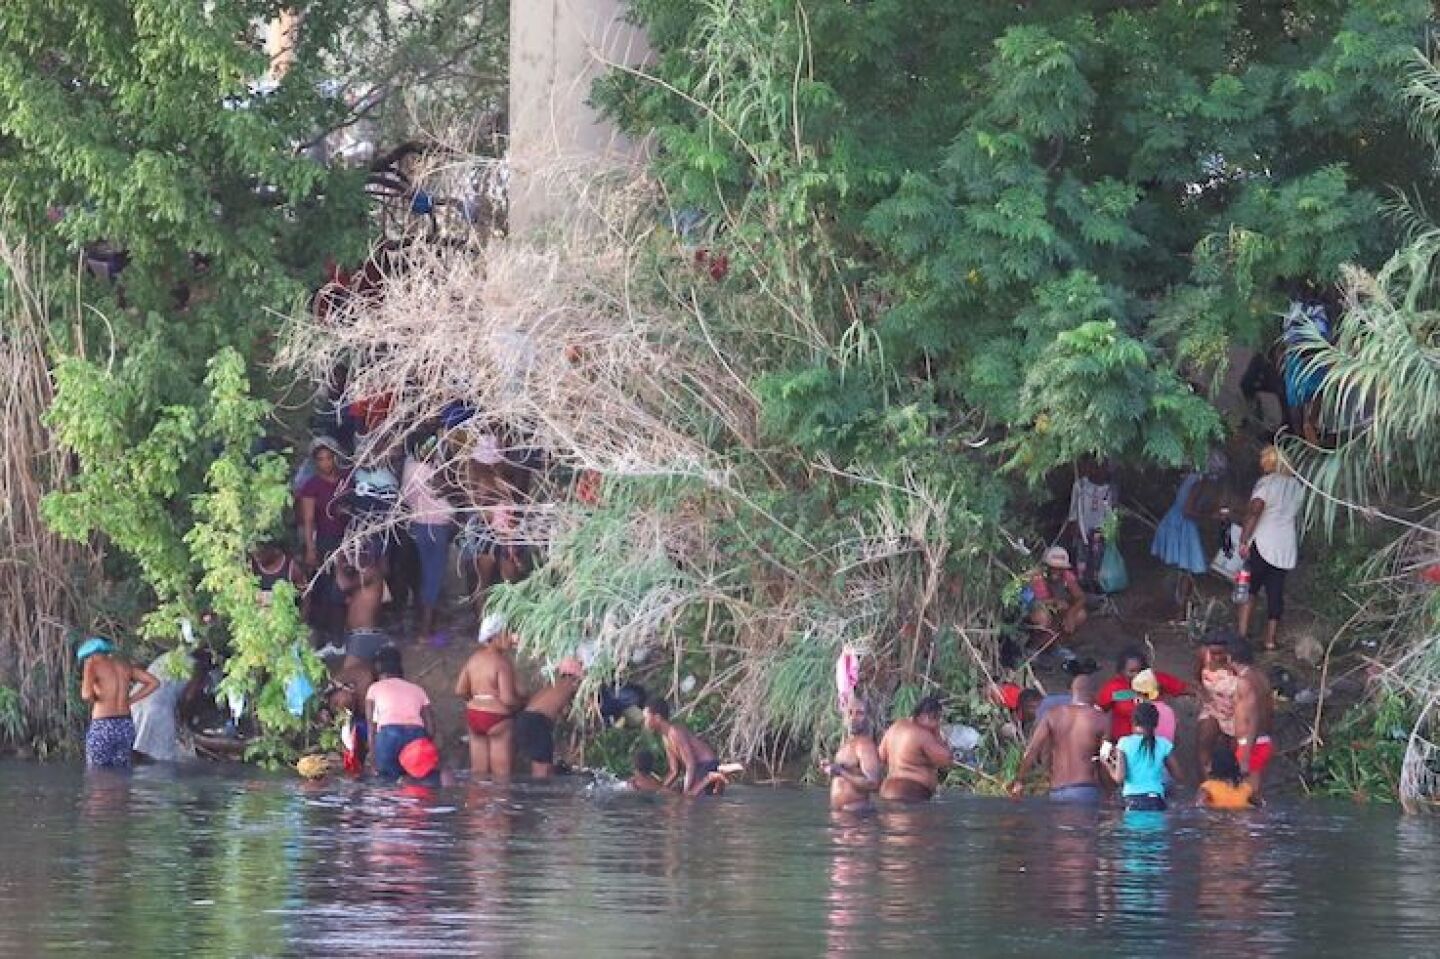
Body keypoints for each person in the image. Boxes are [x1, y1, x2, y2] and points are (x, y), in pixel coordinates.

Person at [1237, 445, 1304, 651]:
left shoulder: (1267, 483)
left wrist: (1244, 539)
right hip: (1285, 546)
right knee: (1276, 591)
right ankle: (1270, 640)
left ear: (1270, 462)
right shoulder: (1297, 486)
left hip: (1263, 543)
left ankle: (1241, 635)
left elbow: (1255, 511)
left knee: (1249, 588)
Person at [1009, 674, 1109, 803]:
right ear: (1094, 693)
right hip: (1085, 790)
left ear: (1072, 691)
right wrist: (1108, 791)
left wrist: (1019, 780)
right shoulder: (1101, 719)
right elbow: (1105, 760)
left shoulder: (1052, 714)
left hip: (1057, 791)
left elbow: (1032, 750)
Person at [1150, 454, 1229, 612]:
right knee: (1189, 569)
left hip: (1176, 523)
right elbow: (1187, 511)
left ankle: (1177, 605)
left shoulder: (1196, 479)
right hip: (1181, 525)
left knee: (1181, 569)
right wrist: (1211, 516)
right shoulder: (1198, 482)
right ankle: (1180, 609)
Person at [401, 436, 457, 643]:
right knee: (433, 576)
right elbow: (449, 491)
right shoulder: (436, 472)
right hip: (437, 527)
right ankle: (425, 630)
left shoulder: (408, 468)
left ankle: (423, 624)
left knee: (423, 575)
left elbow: (406, 498)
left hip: (417, 525)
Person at [455, 615, 522, 778]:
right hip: (496, 718)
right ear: (495, 637)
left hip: (474, 715)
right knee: (501, 778)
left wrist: (477, 700)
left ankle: (477, 802)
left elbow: (460, 690)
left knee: (478, 774)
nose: (511, 637)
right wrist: (522, 704)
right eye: (507, 633)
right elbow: (507, 699)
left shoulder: (473, 659)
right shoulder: (502, 663)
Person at [78, 638, 160, 768]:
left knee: (97, 774)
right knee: (122, 771)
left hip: (103, 725)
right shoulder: (124, 666)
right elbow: (154, 682)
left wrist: (96, 699)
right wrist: (131, 699)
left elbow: (86, 695)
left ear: (90, 655)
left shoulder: (91, 664)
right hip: (125, 725)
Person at [297, 435, 348, 633]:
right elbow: (309, 519)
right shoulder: (312, 485)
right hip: (326, 540)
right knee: (328, 586)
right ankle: (327, 631)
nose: (326, 463)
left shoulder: (346, 478)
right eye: (321, 459)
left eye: (329, 457)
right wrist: (311, 549)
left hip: (349, 538)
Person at [366, 646, 435, 780]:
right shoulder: (418, 689)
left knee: (387, 785)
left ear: (378, 667)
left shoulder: (374, 689)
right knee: (416, 782)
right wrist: (421, 744)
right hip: (416, 734)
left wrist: (373, 757)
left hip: (388, 735)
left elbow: (371, 726)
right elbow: (431, 728)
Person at [514, 656, 584, 778]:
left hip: (528, 718)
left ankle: (541, 793)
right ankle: (540, 795)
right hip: (536, 721)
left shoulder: (555, 684)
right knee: (542, 768)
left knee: (545, 764)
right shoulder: (572, 683)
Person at [1097, 648, 1187, 740]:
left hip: (1155, 742)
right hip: (1122, 744)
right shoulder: (1113, 688)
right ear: (1121, 672)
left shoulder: (1155, 680)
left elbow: (1184, 688)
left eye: (1140, 670)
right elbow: (1099, 710)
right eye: (1131, 671)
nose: (1137, 675)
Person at [877, 696, 953, 803]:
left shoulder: (895, 727)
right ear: (928, 716)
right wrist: (937, 733)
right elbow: (946, 760)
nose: (938, 723)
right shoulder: (923, 734)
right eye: (937, 718)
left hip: (886, 790)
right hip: (911, 792)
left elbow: (880, 757)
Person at [1111, 702, 1183, 811]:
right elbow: (1178, 776)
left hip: (1132, 800)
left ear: (1133, 721)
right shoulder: (1164, 744)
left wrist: (1106, 764)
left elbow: (1119, 778)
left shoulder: (1124, 743)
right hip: (1156, 800)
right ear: (1156, 723)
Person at [643, 699, 721, 796]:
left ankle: (713, 777)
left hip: (707, 765)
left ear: (657, 718)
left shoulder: (674, 732)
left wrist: (685, 793)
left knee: (689, 798)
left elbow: (690, 764)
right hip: (697, 769)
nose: (644, 722)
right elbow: (674, 771)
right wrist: (660, 790)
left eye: (646, 718)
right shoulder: (665, 737)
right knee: (672, 793)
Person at [1230, 637, 1275, 802]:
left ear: (1230, 658)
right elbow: (1270, 711)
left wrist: (1246, 754)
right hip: (1262, 740)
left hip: (1251, 744)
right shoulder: (1262, 678)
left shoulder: (1244, 682)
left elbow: (1254, 716)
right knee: (1254, 796)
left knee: (1248, 796)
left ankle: (1255, 828)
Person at [1064, 459, 1116, 589]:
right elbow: (1074, 509)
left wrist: (1105, 529)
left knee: (1098, 555)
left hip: (1100, 528)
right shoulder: (1080, 486)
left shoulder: (1108, 489)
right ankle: (1081, 584)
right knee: (1082, 554)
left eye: (1104, 468)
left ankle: (1096, 582)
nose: (1100, 471)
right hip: (1083, 526)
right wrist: (1074, 524)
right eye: (1096, 467)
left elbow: (1109, 511)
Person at [824, 699, 882, 812]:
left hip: (856, 817)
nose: (853, 718)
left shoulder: (865, 745)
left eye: (859, 713)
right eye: (849, 712)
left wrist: (841, 772)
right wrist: (830, 767)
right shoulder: (848, 743)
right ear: (844, 717)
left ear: (868, 718)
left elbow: (873, 783)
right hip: (844, 817)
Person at [1195, 632, 1239, 779]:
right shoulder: (1203, 657)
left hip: (1234, 711)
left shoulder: (1235, 664)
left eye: (1220, 653)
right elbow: (1197, 678)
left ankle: (1233, 782)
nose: (1216, 657)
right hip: (1213, 707)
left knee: (1234, 750)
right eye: (1213, 653)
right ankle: (1206, 783)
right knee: (1204, 740)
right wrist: (1204, 696)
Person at [1028, 546, 1088, 641]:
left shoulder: (1067, 576)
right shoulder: (1037, 577)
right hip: (1038, 610)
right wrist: (1054, 602)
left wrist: (1070, 614)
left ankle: (1058, 643)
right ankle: (1038, 645)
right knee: (1042, 617)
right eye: (1053, 568)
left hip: (1058, 608)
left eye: (1060, 568)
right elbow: (1033, 602)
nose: (1056, 571)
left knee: (1080, 614)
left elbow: (1081, 597)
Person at [1197, 743, 1255, 809]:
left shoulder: (1208, 787)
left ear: (1215, 766)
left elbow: (1199, 805)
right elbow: (1259, 803)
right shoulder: (1246, 788)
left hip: (1216, 816)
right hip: (1240, 816)